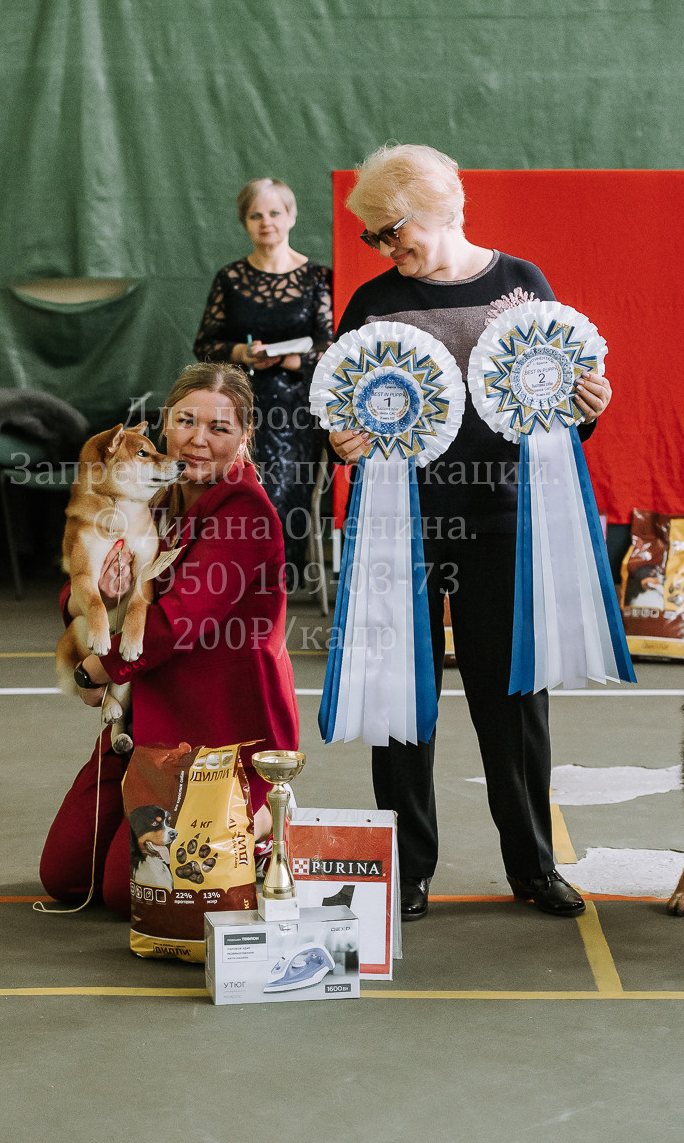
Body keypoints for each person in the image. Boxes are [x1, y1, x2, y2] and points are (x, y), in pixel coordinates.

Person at [330, 144, 612, 921]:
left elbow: (556, 417)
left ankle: (532, 865)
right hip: (403, 529)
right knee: (401, 703)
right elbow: (342, 413)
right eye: (374, 240)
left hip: (504, 521)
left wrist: (586, 406)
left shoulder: (523, 284)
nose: (385, 250)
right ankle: (408, 870)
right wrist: (341, 441)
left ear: (439, 210)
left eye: (391, 232)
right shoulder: (371, 305)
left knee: (514, 701)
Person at [40, 362, 299, 917]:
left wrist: (93, 669)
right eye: (185, 421)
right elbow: (74, 581)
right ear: (165, 423)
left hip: (215, 733)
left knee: (121, 891)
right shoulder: (153, 494)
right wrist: (94, 595)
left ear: (244, 436)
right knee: (63, 875)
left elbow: (176, 623)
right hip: (145, 726)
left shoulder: (244, 510)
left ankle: (257, 823)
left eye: (220, 428)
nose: (198, 440)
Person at [193, 177, 333, 579]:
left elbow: (332, 346)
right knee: (235, 491)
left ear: (291, 216)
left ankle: (276, 579)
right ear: (245, 223)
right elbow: (205, 343)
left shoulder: (317, 277)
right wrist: (243, 353)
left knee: (285, 487)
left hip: (297, 406)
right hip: (238, 403)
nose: (265, 221)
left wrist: (289, 359)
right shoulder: (230, 278)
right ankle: (228, 577)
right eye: (255, 215)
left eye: (274, 212)